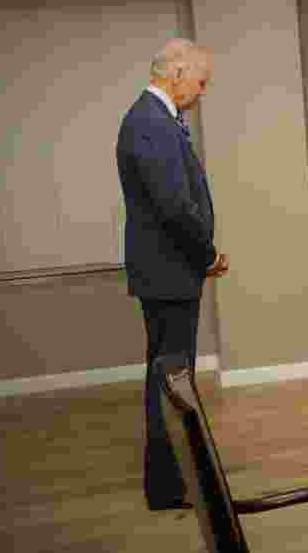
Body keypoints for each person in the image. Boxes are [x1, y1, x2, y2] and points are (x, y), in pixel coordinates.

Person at [116, 38, 229, 511]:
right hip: (169, 271)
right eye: (201, 82)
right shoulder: (150, 123)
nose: (201, 92)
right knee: (171, 377)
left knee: (168, 374)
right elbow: (176, 207)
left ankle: (171, 480)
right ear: (177, 72)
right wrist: (207, 254)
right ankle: (168, 486)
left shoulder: (155, 120)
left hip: (166, 270)